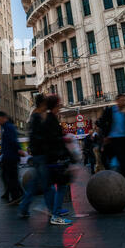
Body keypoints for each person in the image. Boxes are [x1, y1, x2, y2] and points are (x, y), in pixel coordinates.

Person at [40, 95, 75, 226]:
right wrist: (65, 141)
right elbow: (55, 140)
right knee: (61, 186)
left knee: (53, 186)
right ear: (55, 106)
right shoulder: (52, 120)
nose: (60, 107)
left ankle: (53, 210)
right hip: (56, 159)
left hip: (51, 159)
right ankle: (55, 214)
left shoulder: (48, 119)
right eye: (59, 104)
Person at [98, 94, 125, 187]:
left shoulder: (124, 114)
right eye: (122, 100)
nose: (124, 102)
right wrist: (105, 136)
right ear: (117, 100)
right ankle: (115, 183)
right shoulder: (110, 111)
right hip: (113, 140)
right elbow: (101, 123)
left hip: (124, 141)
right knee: (113, 163)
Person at [19, 94, 48, 218]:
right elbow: (39, 136)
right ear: (41, 104)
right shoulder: (37, 117)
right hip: (40, 154)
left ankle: (24, 207)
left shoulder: (34, 116)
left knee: (36, 183)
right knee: (46, 183)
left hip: (38, 154)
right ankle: (48, 206)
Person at [0, 112, 25, 205]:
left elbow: (13, 140)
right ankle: (17, 194)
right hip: (8, 156)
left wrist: (19, 150)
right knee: (8, 176)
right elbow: (6, 144)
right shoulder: (5, 127)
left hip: (11, 157)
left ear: (4, 118)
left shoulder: (8, 127)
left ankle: (16, 196)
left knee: (11, 177)